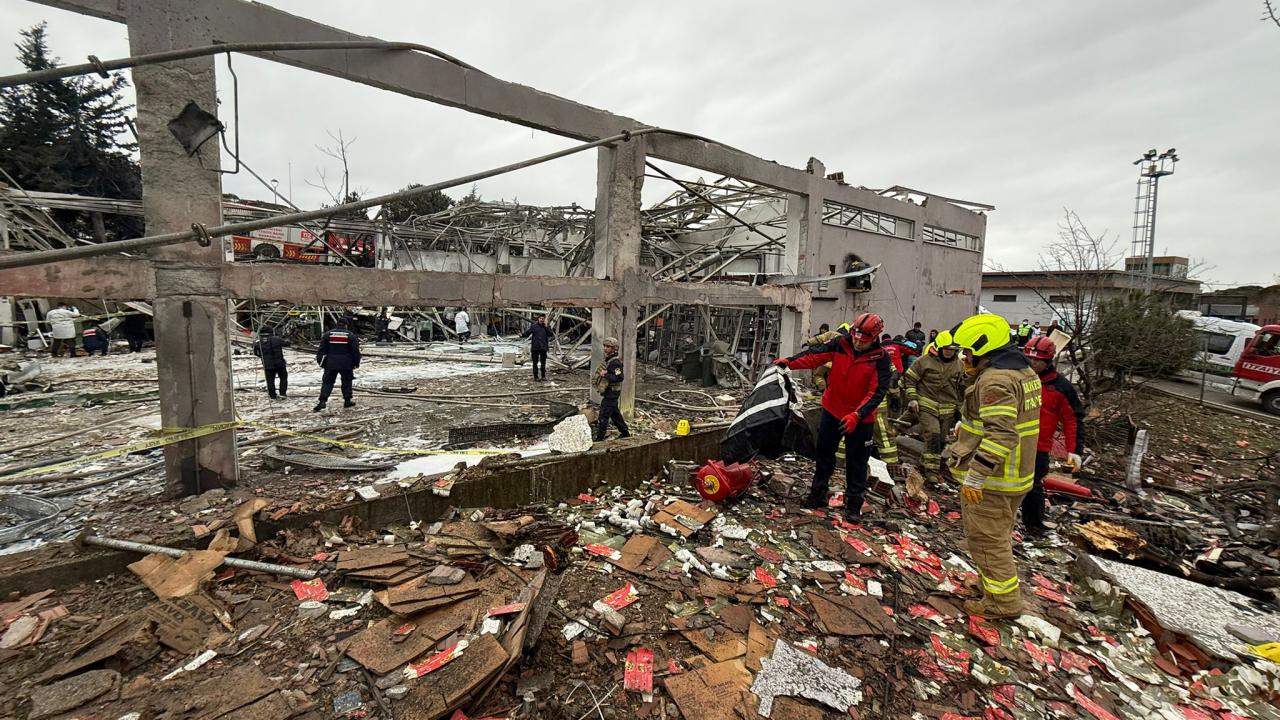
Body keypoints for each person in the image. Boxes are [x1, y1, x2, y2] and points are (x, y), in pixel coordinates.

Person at [944, 314, 1042, 618]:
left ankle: (1001, 603)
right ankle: (991, 584)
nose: (964, 357)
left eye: (968, 351)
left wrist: (975, 477)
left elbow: (1002, 434)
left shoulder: (995, 381)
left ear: (983, 348)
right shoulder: (1023, 373)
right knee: (997, 535)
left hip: (994, 479)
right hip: (1017, 475)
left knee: (987, 539)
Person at [774, 312, 891, 521]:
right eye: (855, 337)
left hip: (860, 419)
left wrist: (858, 414)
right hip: (832, 409)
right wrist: (789, 362)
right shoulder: (840, 344)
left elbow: (876, 392)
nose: (857, 342)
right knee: (824, 454)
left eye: (862, 340)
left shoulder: (881, 359)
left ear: (874, 338)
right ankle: (817, 495)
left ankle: (853, 505)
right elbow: (814, 355)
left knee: (857, 462)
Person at [1021, 337, 1084, 538]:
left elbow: (1072, 419)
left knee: (1033, 487)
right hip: (1011, 441)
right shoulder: (1016, 377)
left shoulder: (1060, 387)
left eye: (1037, 361)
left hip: (1039, 447)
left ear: (1048, 361)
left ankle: (1033, 525)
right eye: (1029, 359)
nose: (1033, 364)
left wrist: (1074, 450)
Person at [903, 330, 964, 474]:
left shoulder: (960, 365)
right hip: (926, 405)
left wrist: (961, 411)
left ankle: (925, 464)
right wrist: (912, 399)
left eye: (952, 350)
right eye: (946, 349)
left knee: (942, 440)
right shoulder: (924, 361)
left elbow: (961, 389)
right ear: (938, 348)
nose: (949, 352)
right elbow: (909, 379)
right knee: (933, 434)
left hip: (947, 410)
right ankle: (931, 473)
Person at [314, 318, 361, 412]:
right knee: (347, 382)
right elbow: (355, 351)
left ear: (337, 324)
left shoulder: (328, 335)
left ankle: (322, 401)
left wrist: (321, 362)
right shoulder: (350, 335)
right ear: (346, 325)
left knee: (327, 382)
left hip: (330, 363)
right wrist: (356, 363)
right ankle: (347, 401)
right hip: (346, 363)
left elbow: (321, 350)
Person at [593, 336, 630, 441]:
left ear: (614, 349)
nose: (605, 348)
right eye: (604, 346)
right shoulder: (609, 360)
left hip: (612, 394)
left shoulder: (615, 362)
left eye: (608, 346)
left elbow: (619, 377)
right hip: (609, 392)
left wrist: (606, 375)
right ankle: (625, 433)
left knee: (603, 416)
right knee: (615, 415)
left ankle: (599, 439)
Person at [253, 326, 291, 400]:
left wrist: (262, 357)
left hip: (267, 364)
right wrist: (287, 338)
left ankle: (272, 395)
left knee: (270, 380)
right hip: (280, 363)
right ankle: (282, 394)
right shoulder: (277, 339)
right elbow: (287, 344)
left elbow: (255, 353)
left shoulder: (257, 342)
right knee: (283, 378)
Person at [521, 315, 553, 381]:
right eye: (540, 318)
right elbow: (527, 333)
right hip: (535, 347)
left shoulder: (546, 327)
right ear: (538, 319)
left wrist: (547, 327)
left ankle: (543, 376)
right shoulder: (534, 326)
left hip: (543, 347)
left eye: (543, 318)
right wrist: (521, 335)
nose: (542, 320)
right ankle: (536, 377)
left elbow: (550, 334)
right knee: (535, 363)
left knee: (543, 362)